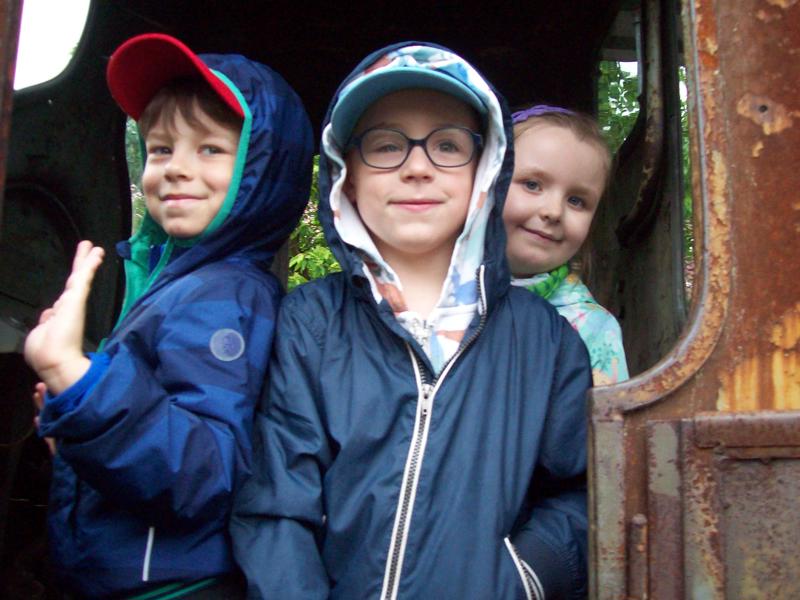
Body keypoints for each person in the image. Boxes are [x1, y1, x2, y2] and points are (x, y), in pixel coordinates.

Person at [230, 42, 591, 599]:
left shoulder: (547, 341)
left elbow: (582, 490)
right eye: (385, 145)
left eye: (447, 145)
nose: (417, 167)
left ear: (486, 170)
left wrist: (525, 577)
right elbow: (276, 506)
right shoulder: (310, 322)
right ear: (347, 177)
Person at [23, 33, 313, 598]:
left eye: (210, 150)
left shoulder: (226, 296)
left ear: (262, 170)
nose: (175, 169)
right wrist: (79, 435)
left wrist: (73, 377)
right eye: (160, 149)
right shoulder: (180, 284)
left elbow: (201, 476)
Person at [504, 105, 629, 385]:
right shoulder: (433, 293)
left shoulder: (593, 330)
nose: (553, 211)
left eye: (576, 201)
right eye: (532, 185)